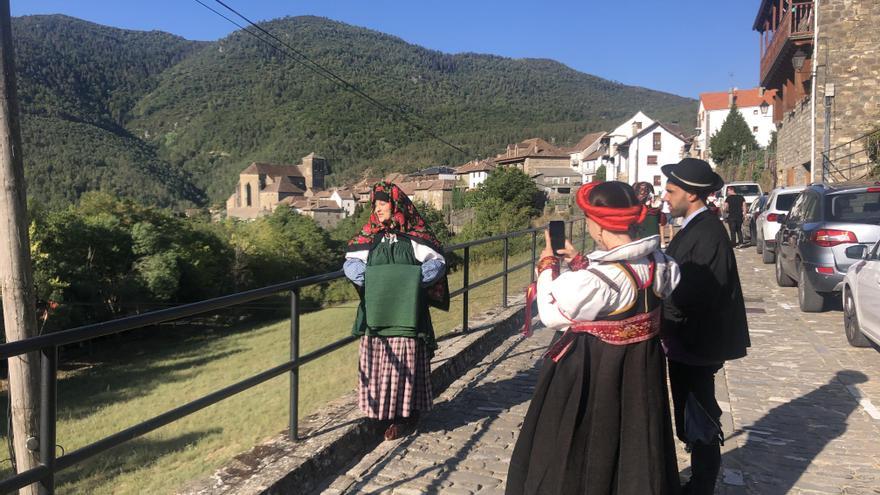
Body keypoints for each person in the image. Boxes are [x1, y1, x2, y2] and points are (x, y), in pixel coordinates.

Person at [506, 181, 682, 495]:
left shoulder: (598, 279)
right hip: (641, 369)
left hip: (596, 370)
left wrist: (547, 266)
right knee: (635, 437)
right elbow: (618, 286)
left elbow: (552, 313)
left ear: (598, 226)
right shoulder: (663, 265)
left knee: (584, 442)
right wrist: (580, 263)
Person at [660, 158, 750, 495]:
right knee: (692, 412)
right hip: (689, 342)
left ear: (692, 195)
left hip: (696, 343)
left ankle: (701, 486)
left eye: (671, 191)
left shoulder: (708, 234)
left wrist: (660, 314)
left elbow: (692, 293)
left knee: (699, 414)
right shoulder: (698, 227)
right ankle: (699, 479)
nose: (665, 197)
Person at [343, 181, 449, 441]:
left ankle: (405, 416)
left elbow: (437, 264)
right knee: (378, 363)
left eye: (383, 203)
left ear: (396, 205)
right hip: (377, 313)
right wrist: (377, 282)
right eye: (375, 204)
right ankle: (381, 413)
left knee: (405, 363)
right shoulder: (369, 235)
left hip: (407, 312)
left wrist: (406, 284)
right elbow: (351, 265)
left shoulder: (416, 237)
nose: (378, 209)